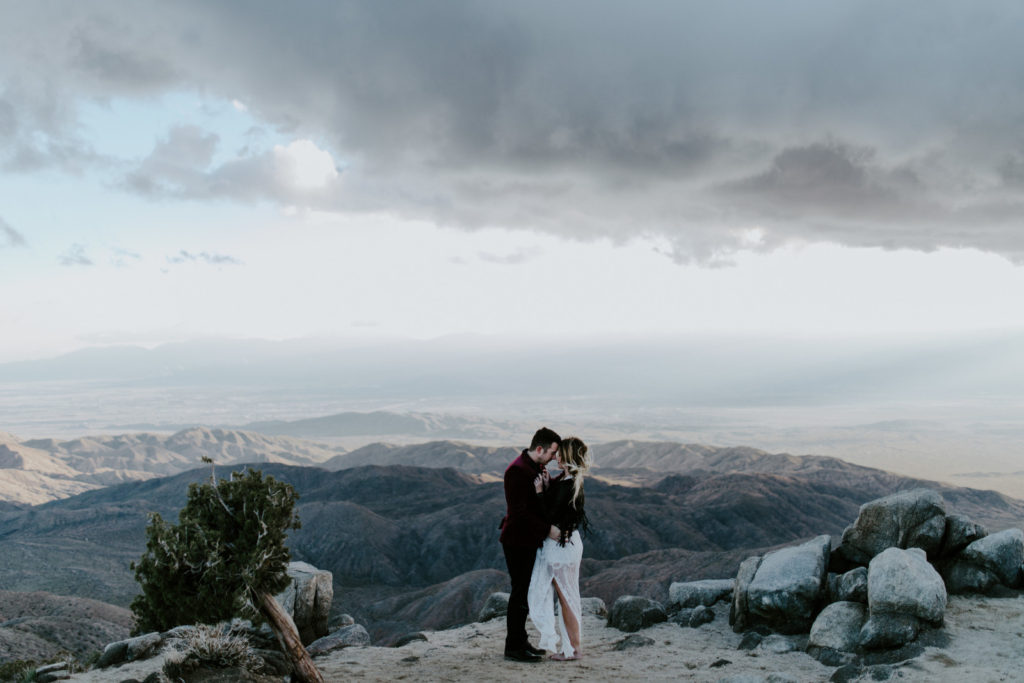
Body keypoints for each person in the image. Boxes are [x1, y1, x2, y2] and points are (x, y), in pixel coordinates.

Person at [499, 427, 561, 662]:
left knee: (525, 591)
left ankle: (520, 641)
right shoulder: (517, 471)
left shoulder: (535, 467)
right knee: (520, 592)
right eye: (552, 453)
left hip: (528, 539)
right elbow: (519, 513)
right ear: (539, 449)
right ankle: (513, 647)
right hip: (517, 541)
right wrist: (548, 529)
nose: (554, 458)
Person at [528, 436, 591, 661]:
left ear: (567, 456)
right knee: (568, 595)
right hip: (566, 544)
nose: (556, 456)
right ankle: (571, 647)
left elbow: (550, 514)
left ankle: (573, 650)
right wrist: (548, 485)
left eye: (560, 453)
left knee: (566, 597)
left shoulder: (568, 483)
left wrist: (539, 492)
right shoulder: (567, 479)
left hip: (561, 547)